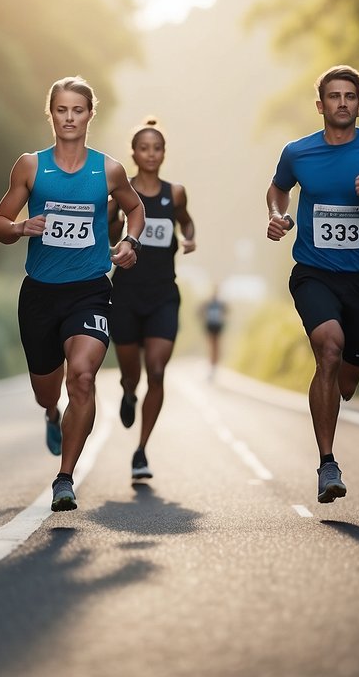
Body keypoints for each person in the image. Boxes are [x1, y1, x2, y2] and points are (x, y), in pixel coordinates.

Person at [265, 65, 359, 505]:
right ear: (321, 105)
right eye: (334, 96)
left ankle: (340, 391)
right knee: (328, 350)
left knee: (347, 381)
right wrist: (277, 216)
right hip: (312, 272)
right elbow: (277, 189)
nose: (342, 103)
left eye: (349, 96)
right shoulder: (298, 152)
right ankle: (327, 463)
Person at [0, 75, 145, 511]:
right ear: (52, 114)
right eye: (62, 109)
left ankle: (64, 477)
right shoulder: (30, 166)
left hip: (90, 290)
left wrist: (130, 242)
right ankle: (50, 412)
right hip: (40, 293)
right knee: (47, 389)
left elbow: (135, 207)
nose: (70, 117)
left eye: (78, 110)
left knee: (82, 376)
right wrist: (21, 226)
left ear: (89, 114)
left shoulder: (108, 169)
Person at [107, 116, 196, 481]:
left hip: (163, 295)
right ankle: (128, 392)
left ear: (163, 153)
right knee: (132, 374)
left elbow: (186, 220)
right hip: (126, 294)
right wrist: (116, 225)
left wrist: (190, 237)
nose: (150, 154)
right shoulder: (121, 190)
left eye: (156, 148)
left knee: (156, 372)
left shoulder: (174, 192)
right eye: (144, 148)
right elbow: (108, 226)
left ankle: (141, 451)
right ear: (134, 153)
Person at [201, 287, 227, 380]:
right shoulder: (209, 303)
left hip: (217, 327)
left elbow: (226, 312)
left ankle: (214, 366)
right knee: (212, 346)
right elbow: (200, 311)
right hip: (211, 326)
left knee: (215, 347)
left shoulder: (220, 304)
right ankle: (212, 366)